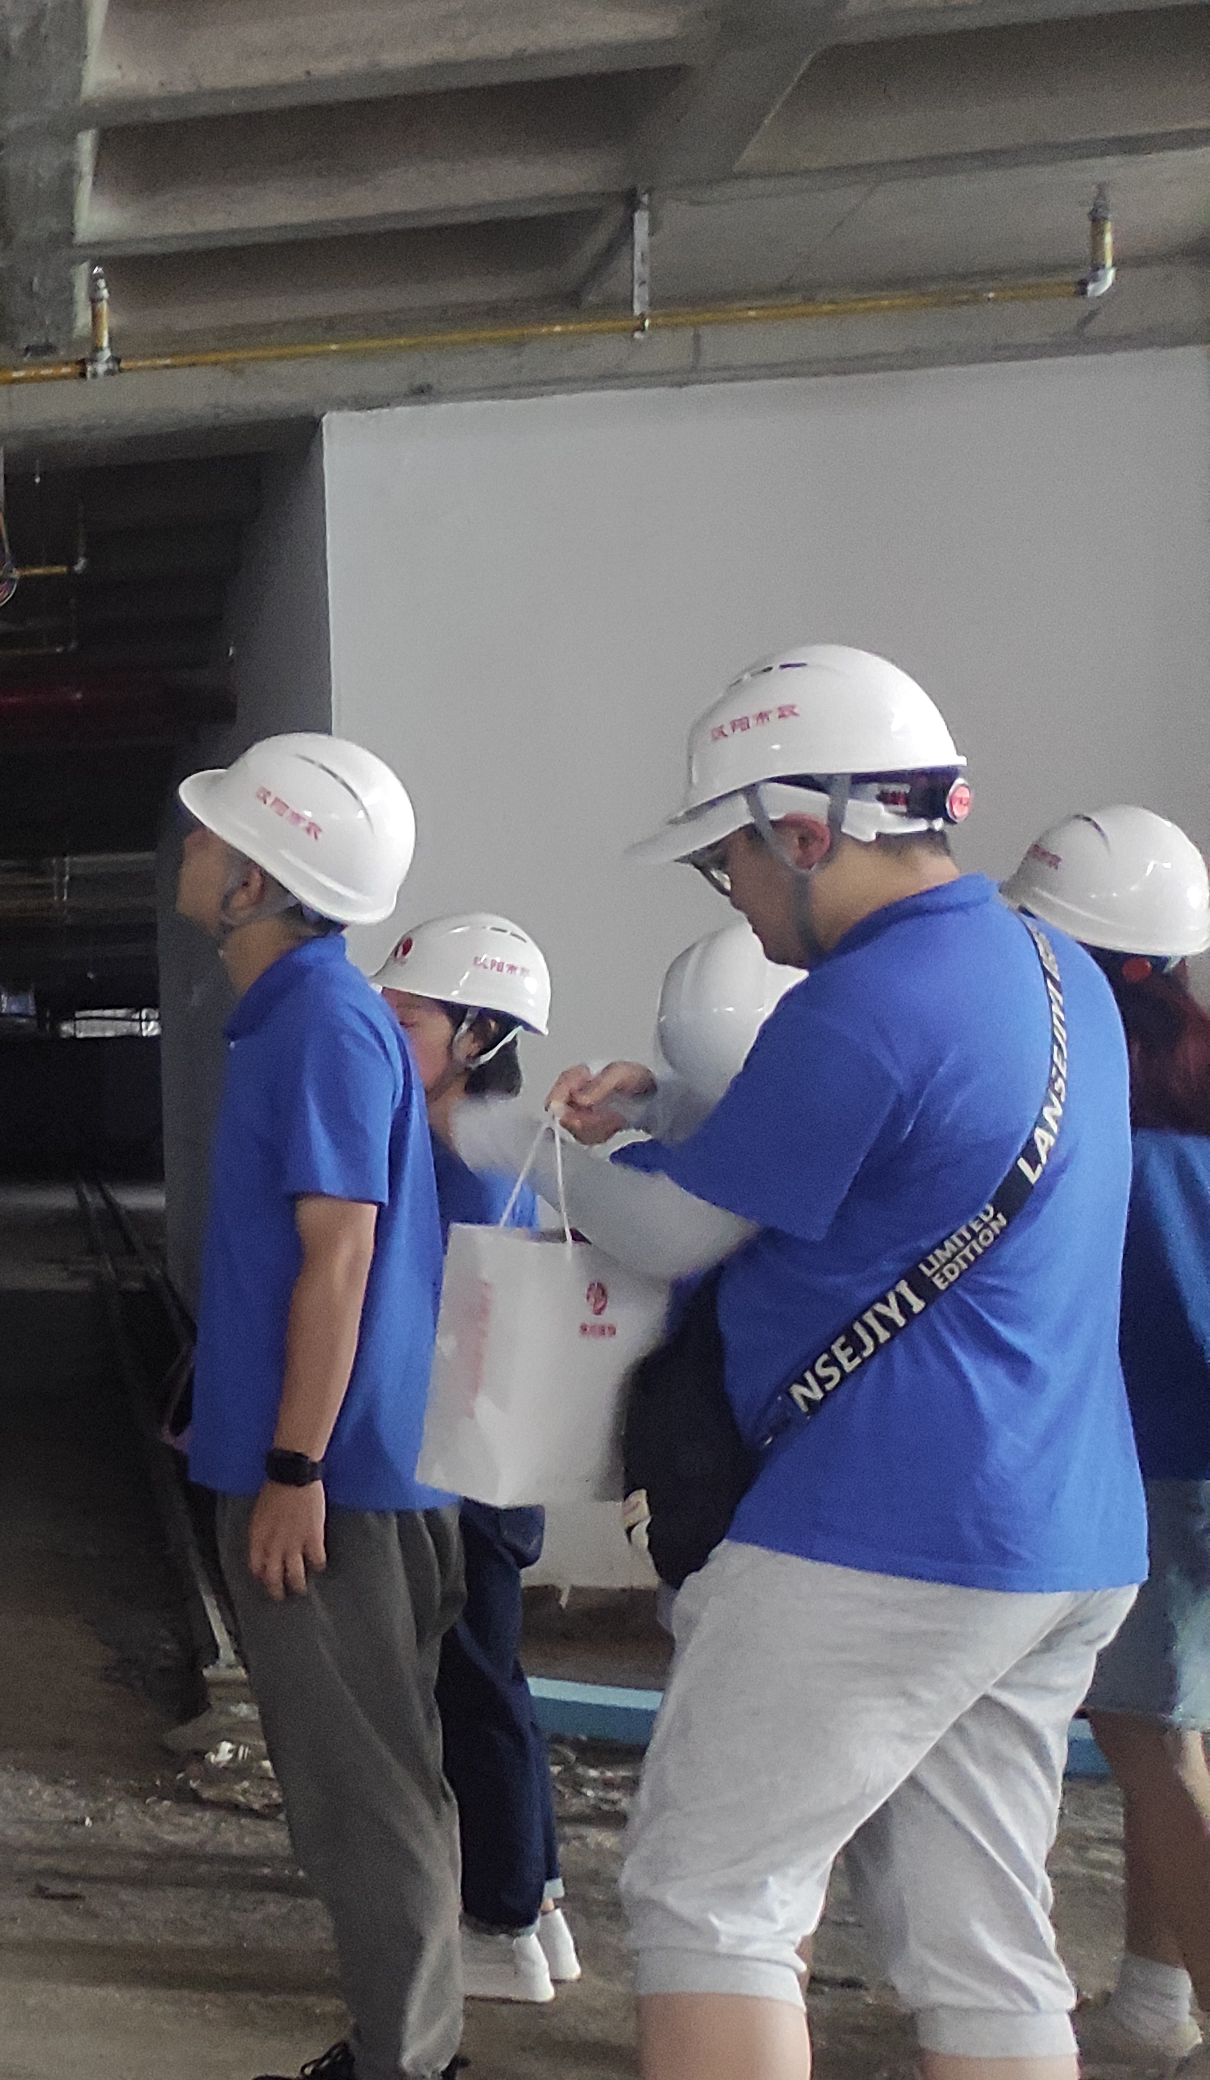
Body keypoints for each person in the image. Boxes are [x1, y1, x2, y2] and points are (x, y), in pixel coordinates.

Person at [558, 646, 1139, 2080]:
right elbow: (903, 1150)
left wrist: (541, 1153)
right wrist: (679, 1104)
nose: (736, 899)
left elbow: (670, 1232)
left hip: (881, 1531)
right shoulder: (1055, 970)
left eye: (732, 864)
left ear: (807, 832)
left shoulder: (865, 1001)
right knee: (980, 1940)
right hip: (1061, 1531)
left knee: (712, 1902)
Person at [163, 731, 463, 2080]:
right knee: (363, 1777)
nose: (189, 846)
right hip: (324, 1466)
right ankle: (404, 2044)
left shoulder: (324, 1024)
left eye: (212, 836)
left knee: (365, 1789)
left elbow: (339, 1256)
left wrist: (293, 1466)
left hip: (335, 1484)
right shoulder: (297, 1017)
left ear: (256, 883)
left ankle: (410, 2060)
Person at [1005, 809, 1210, 2073]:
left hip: (1158, 1463)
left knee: (1149, 1741)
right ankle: (1150, 1995)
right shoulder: (1191, 1084)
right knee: (1171, 1732)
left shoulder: (1087, 1107)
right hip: (1189, 1460)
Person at [362, 909, 584, 2007]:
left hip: (465, 1459)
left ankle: (501, 1924)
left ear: (479, 1035)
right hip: (493, 1449)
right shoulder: (487, 1140)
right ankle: (536, 1896)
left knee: (472, 1683)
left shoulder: (460, 1151)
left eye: (407, 1020)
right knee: (494, 1676)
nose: (384, 1035)